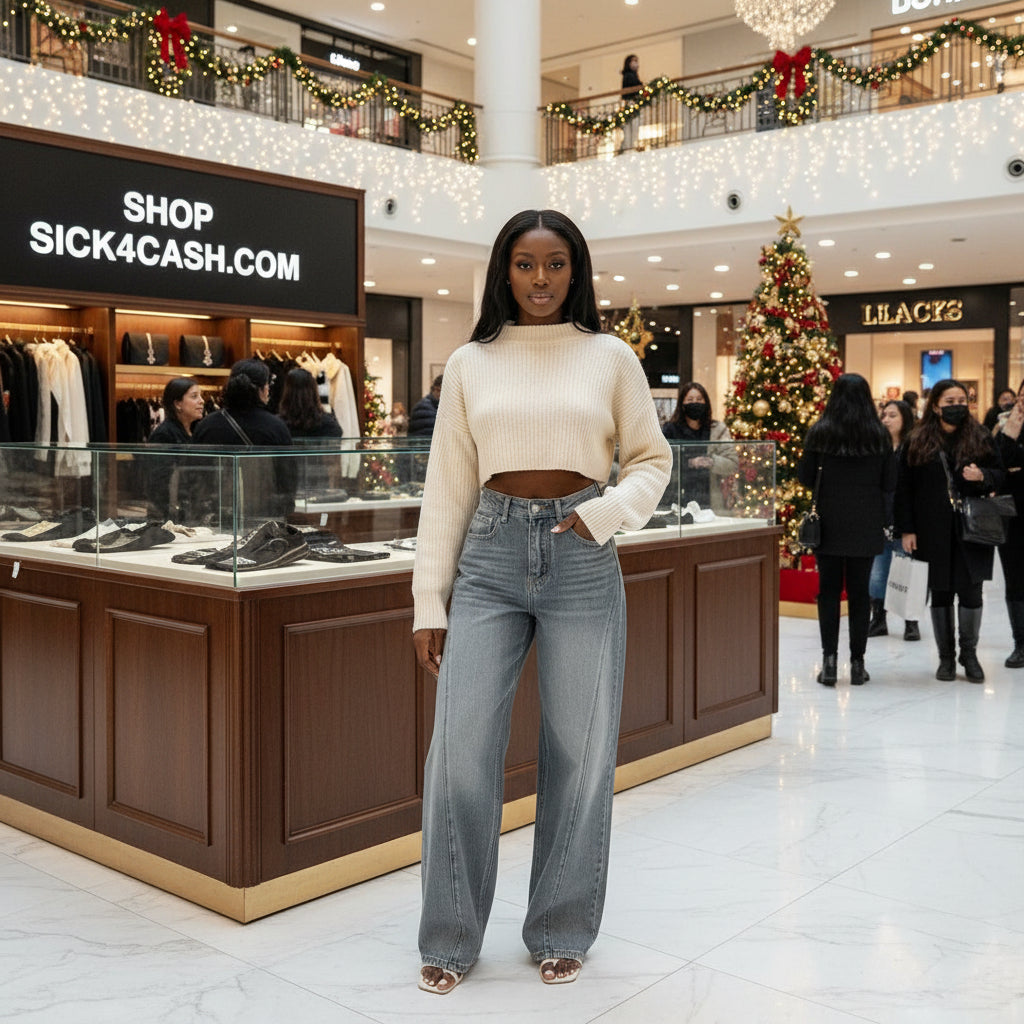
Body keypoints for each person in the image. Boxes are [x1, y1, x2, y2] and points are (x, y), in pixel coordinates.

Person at [412, 209, 671, 994]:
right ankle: (450, 936)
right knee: (459, 751)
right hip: (487, 559)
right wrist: (431, 597)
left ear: (575, 270)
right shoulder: (469, 363)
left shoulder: (610, 356)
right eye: (525, 265)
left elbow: (653, 462)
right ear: (504, 271)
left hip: (582, 558)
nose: (540, 281)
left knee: (580, 751)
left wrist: (606, 514)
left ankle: (560, 925)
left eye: (555, 265)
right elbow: (446, 489)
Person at [895, 378, 1003, 683]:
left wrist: (983, 475)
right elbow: (903, 488)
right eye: (949, 401)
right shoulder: (916, 440)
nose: (957, 407)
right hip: (931, 529)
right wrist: (906, 530)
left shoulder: (980, 436)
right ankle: (945, 658)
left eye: (962, 401)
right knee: (940, 591)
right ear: (935, 405)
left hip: (973, 528)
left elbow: (1000, 475)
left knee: (972, 591)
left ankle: (969, 655)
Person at [797, 373, 896, 686]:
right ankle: (857, 664)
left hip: (828, 522)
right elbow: (890, 483)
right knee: (859, 594)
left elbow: (805, 476)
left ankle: (828, 662)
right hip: (866, 523)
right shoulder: (879, 435)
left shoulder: (820, 432)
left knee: (827, 592)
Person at [192, 358, 296, 523]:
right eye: (267, 384)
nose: (269, 390)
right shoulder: (275, 427)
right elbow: (287, 478)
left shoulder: (206, 426)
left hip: (215, 516)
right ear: (261, 389)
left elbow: (195, 475)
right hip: (264, 517)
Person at [867, 399, 919, 640]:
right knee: (877, 575)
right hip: (879, 520)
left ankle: (911, 621)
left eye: (892, 415)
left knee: (907, 571)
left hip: (905, 521)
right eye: (884, 415)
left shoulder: (914, 449)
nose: (886, 420)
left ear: (905, 419)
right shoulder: (876, 448)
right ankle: (878, 619)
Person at [662, 381, 736, 511]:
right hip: (675, 500)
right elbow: (662, 463)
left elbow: (732, 463)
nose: (695, 403)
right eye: (690, 399)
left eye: (699, 399)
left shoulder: (718, 429)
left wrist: (711, 461)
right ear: (682, 404)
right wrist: (689, 463)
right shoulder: (669, 430)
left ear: (706, 403)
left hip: (709, 501)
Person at [993, 385, 1024, 668]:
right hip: (1011, 514)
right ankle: (1020, 643)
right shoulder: (1004, 424)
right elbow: (999, 464)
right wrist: (1011, 437)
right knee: (1015, 580)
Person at [146, 377, 205, 521]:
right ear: (178, 404)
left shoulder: (196, 430)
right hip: (171, 514)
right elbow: (158, 482)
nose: (202, 401)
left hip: (191, 510)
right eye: (194, 396)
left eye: (200, 396)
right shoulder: (164, 435)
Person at [619, 54, 641, 154]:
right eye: (634, 61)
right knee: (631, 127)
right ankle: (628, 148)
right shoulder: (629, 75)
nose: (636, 63)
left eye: (637, 61)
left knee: (633, 127)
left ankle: (630, 147)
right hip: (631, 103)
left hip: (632, 103)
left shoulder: (632, 75)